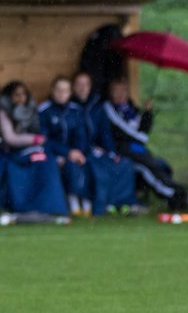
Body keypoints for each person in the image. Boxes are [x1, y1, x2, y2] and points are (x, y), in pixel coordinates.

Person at [101, 78, 188, 214]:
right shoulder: (109, 108)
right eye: (116, 91)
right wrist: (141, 137)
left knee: (158, 165)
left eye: (123, 90)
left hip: (136, 148)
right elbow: (127, 131)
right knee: (148, 168)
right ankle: (174, 194)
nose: (120, 94)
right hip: (122, 149)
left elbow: (143, 130)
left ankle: (174, 194)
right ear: (110, 93)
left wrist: (147, 113)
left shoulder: (133, 109)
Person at [71, 71, 137, 215]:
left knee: (123, 164)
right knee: (97, 167)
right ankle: (102, 204)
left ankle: (122, 203)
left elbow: (105, 133)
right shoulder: (70, 108)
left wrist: (112, 152)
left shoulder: (97, 107)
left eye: (86, 85)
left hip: (97, 150)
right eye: (79, 85)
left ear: (90, 87)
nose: (82, 88)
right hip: (80, 152)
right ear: (74, 87)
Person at [0, 80, 68, 217]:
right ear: (9, 97)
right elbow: (10, 138)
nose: (21, 98)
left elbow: (42, 134)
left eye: (23, 94)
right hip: (12, 153)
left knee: (47, 162)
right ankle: (21, 206)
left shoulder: (32, 111)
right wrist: (34, 139)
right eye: (16, 95)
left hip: (33, 150)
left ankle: (50, 206)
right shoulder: (3, 112)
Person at [38, 75, 91, 216]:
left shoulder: (76, 110)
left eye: (65, 91)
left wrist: (77, 152)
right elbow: (43, 139)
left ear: (70, 92)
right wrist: (67, 153)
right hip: (53, 152)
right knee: (66, 164)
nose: (62, 94)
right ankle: (72, 198)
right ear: (52, 91)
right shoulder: (44, 110)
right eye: (59, 90)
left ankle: (86, 198)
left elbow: (81, 135)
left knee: (87, 162)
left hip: (74, 153)